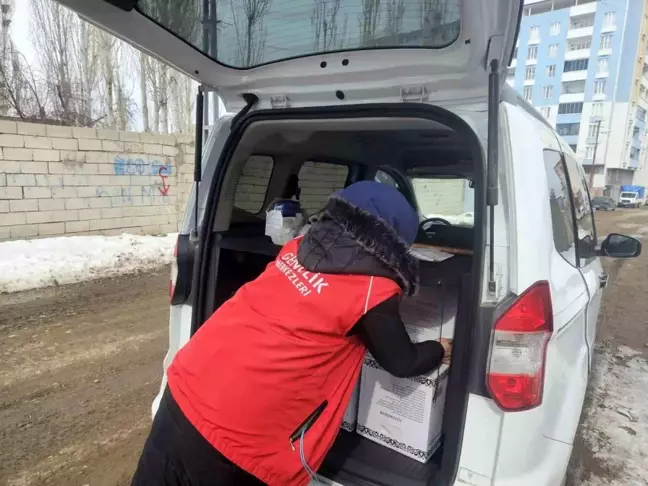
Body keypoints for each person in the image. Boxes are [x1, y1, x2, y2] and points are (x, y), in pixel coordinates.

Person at [131, 181, 453, 486]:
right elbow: (402, 361)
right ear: (397, 244)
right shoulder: (372, 289)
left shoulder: (298, 246)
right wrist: (439, 349)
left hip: (188, 386)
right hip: (236, 437)